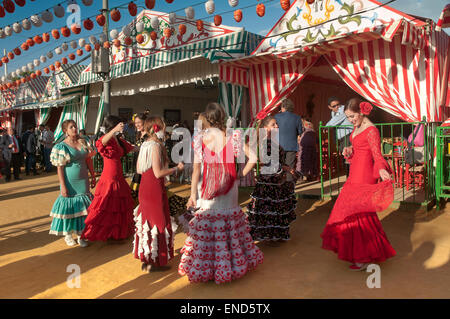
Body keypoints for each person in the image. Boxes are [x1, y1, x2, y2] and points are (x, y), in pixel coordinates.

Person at [179, 103, 263, 284]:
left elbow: (196, 170)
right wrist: (240, 174)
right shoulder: (233, 136)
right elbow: (254, 158)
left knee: (209, 225)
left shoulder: (200, 139)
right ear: (222, 117)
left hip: (207, 188)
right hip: (230, 186)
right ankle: (230, 266)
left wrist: (192, 194)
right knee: (228, 226)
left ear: (207, 119)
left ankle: (208, 269)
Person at [321, 98, 396, 271]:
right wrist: (349, 151)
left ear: (361, 112)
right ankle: (364, 252)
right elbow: (359, 151)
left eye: (353, 116)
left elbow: (376, 155)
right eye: (348, 117)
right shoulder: (357, 127)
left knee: (357, 212)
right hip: (355, 171)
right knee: (352, 211)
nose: (351, 120)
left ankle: (364, 256)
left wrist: (382, 170)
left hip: (364, 175)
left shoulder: (372, 130)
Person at [133, 116, 184, 272]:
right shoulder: (155, 145)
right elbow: (158, 172)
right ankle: (155, 261)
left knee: (148, 222)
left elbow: (138, 169)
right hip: (154, 188)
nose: (165, 129)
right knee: (158, 222)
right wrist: (177, 169)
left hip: (145, 187)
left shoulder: (145, 145)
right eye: (163, 126)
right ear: (157, 128)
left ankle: (148, 259)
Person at [81, 115, 137, 242]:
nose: (121, 128)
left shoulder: (119, 140)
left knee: (118, 209)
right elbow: (100, 143)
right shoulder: (107, 139)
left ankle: (116, 235)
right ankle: (94, 234)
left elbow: (133, 148)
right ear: (113, 126)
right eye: (119, 125)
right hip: (109, 178)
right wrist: (114, 130)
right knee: (105, 207)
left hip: (119, 178)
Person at [246, 116, 297, 242]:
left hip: (273, 180)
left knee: (271, 209)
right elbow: (268, 162)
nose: (276, 127)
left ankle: (272, 234)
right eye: (273, 125)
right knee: (270, 208)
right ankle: (270, 235)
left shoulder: (270, 141)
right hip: (270, 181)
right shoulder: (266, 142)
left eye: (276, 124)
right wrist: (284, 168)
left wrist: (285, 168)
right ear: (265, 128)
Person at [49, 120, 97, 247]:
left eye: (75, 126)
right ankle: (68, 235)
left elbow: (88, 160)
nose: (74, 129)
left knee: (84, 209)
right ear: (65, 131)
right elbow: (60, 168)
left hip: (83, 180)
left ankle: (82, 235)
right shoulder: (61, 147)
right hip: (69, 181)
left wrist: (92, 175)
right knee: (69, 207)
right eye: (71, 127)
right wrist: (63, 186)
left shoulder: (83, 141)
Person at [274, 99, 303, 182]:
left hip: (278, 145)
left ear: (283, 107)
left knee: (279, 167)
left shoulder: (276, 116)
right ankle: (289, 187)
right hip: (291, 145)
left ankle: (278, 185)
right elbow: (300, 132)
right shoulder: (297, 117)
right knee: (290, 167)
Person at [326, 97, 353, 177]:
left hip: (348, 135)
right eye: (334, 106)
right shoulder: (333, 113)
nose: (337, 107)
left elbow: (334, 122)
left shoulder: (344, 109)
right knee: (345, 156)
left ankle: (350, 177)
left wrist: (325, 126)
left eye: (338, 104)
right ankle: (349, 176)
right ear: (329, 107)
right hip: (341, 137)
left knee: (348, 157)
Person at [129, 113, 148, 204]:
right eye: (135, 123)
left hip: (146, 168)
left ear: (145, 122)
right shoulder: (139, 135)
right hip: (138, 167)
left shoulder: (148, 136)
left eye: (139, 122)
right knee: (135, 191)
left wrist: (130, 148)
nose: (137, 125)